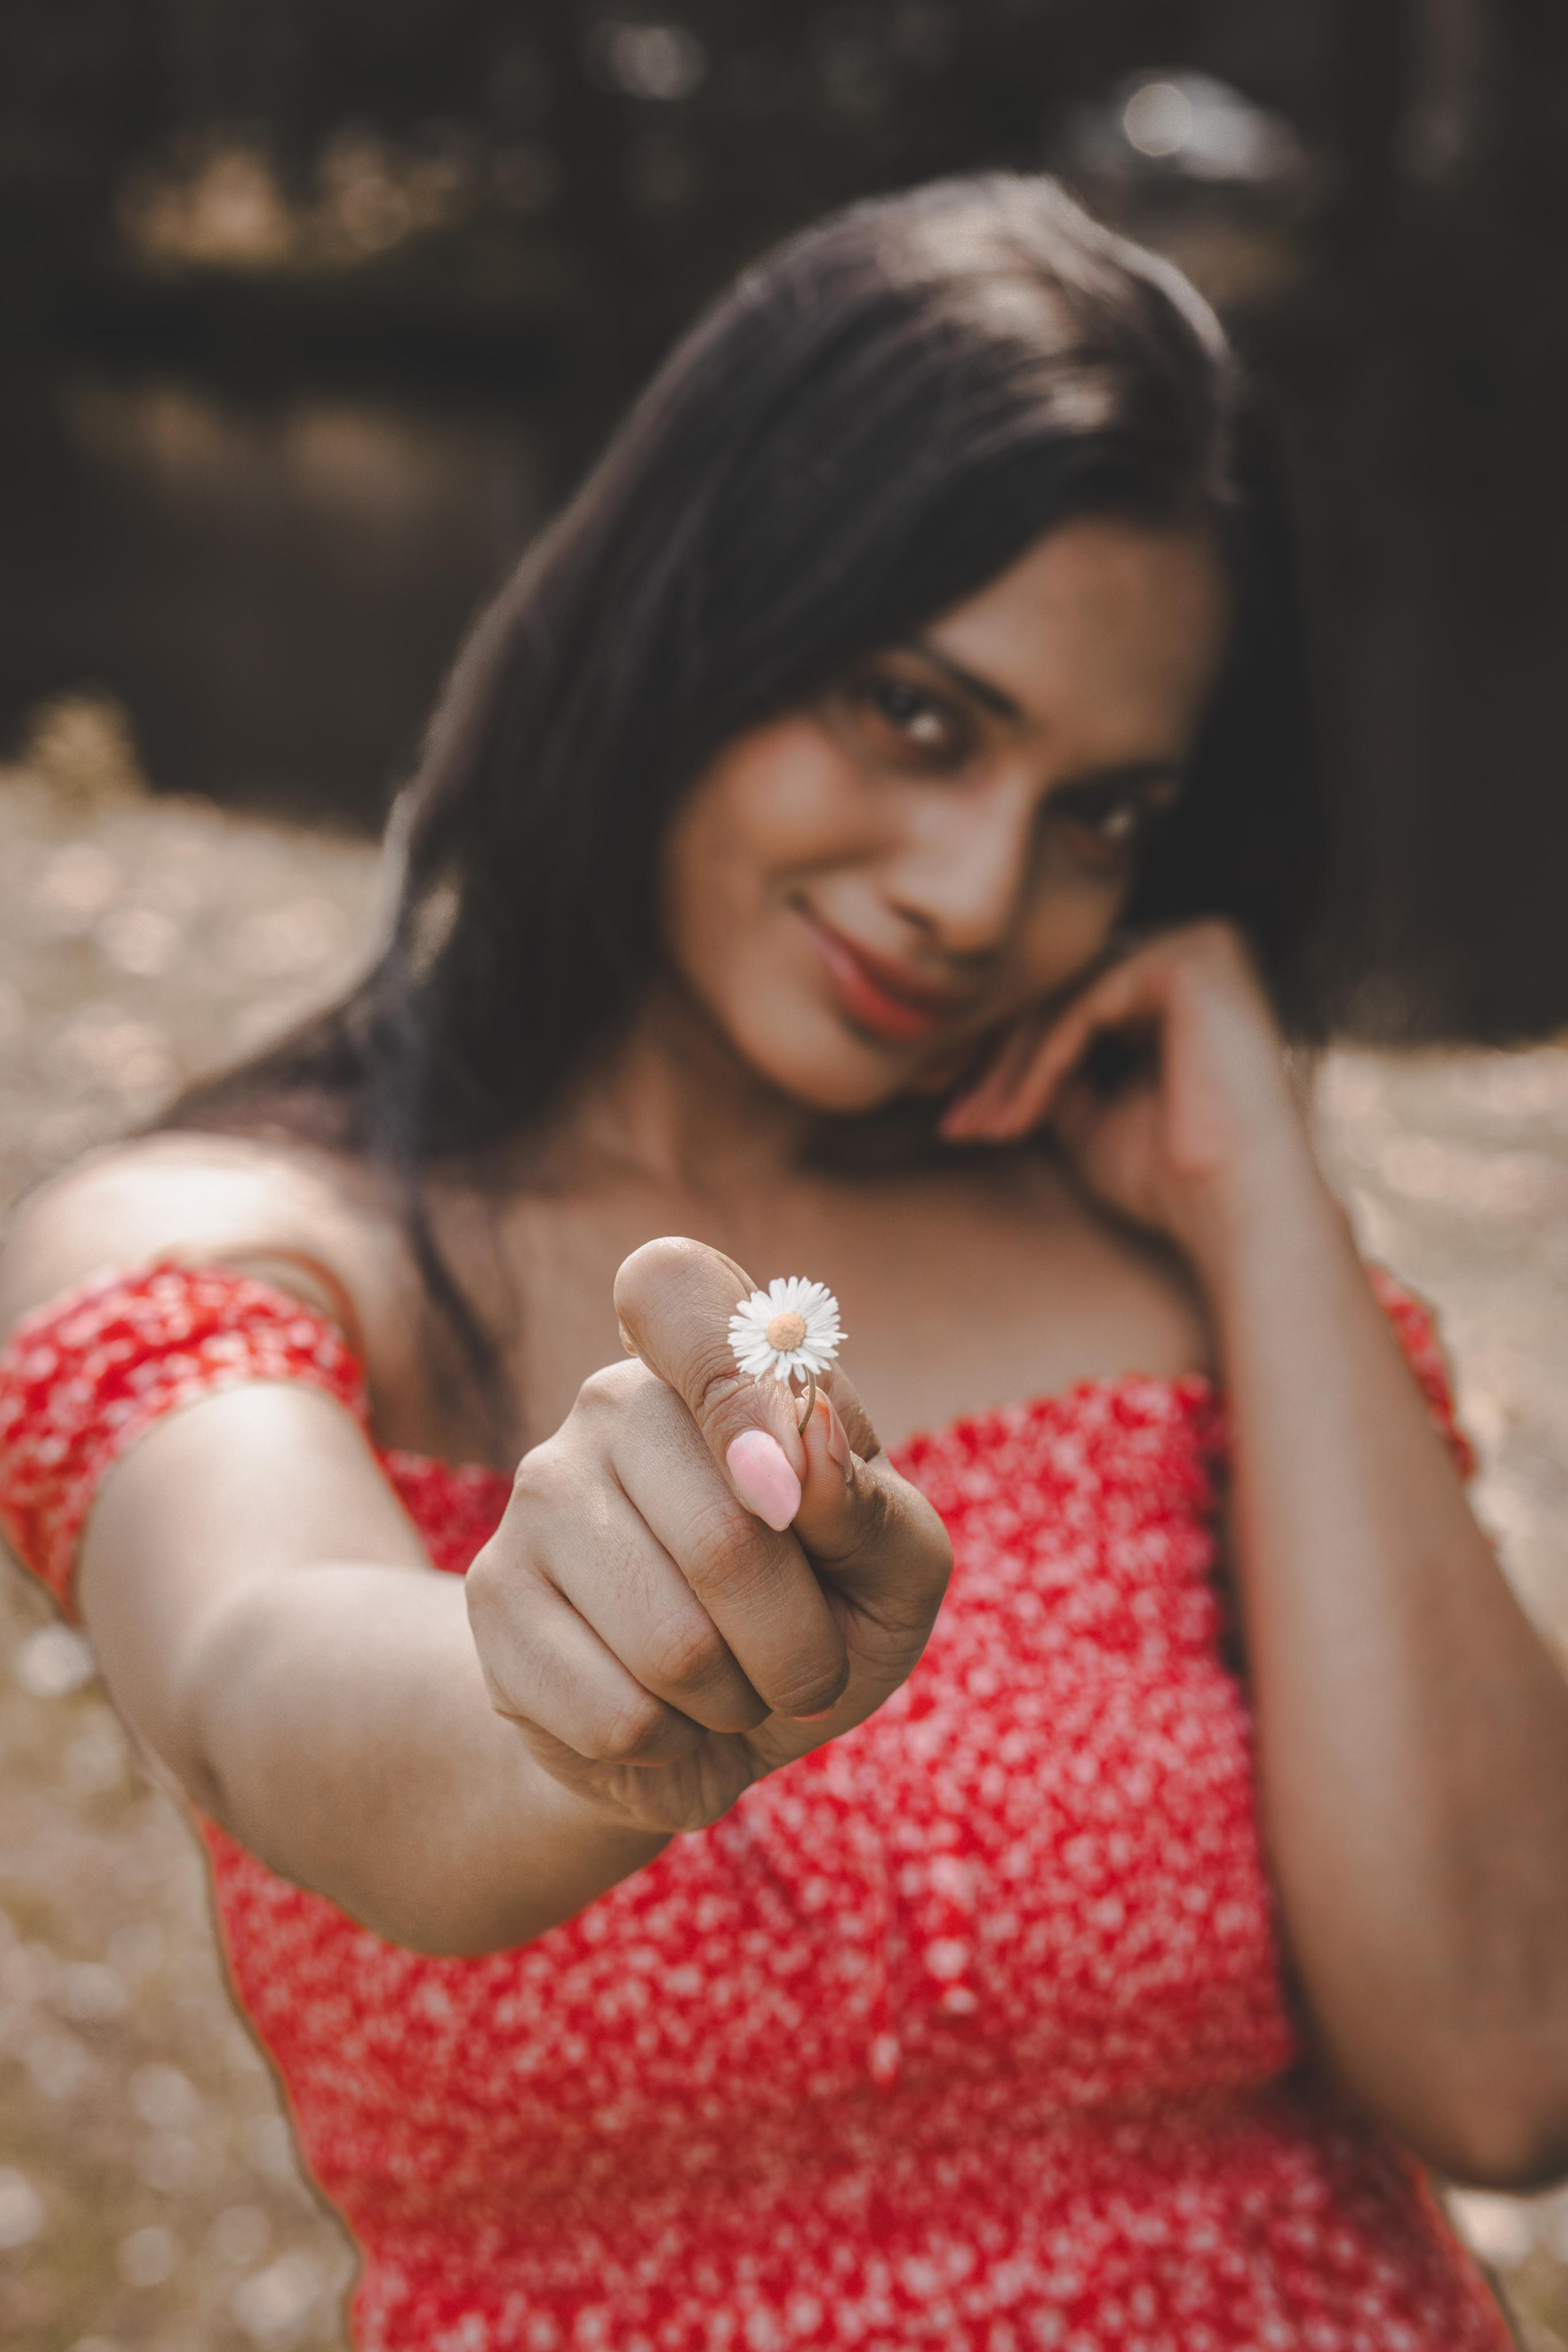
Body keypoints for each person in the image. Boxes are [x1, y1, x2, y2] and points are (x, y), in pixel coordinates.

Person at [0, 173, 1562, 2352]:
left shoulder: (1174, 1270)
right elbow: (273, 1685)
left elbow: (1503, 2059)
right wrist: (561, 1704)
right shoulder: (232, 1251)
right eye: (920, 716)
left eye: (1099, 811)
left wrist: (1262, 1192)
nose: (973, 886)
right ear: (691, 614)